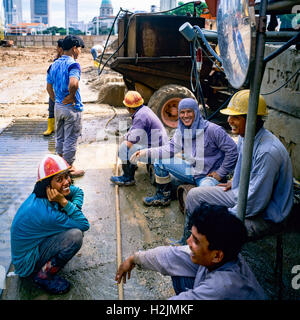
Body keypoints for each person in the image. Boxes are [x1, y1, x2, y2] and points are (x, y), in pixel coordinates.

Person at [184, 90, 294, 243]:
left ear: (252, 120)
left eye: (235, 117)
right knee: (194, 196)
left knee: (212, 227)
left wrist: (221, 215)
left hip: (265, 215)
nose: (229, 120)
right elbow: (244, 167)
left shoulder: (268, 152)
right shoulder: (245, 136)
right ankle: (189, 244)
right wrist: (234, 182)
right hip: (243, 194)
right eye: (230, 115)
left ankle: (214, 261)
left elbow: (254, 204)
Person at [115, 203, 267, 300]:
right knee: (177, 269)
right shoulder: (222, 256)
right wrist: (134, 259)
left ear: (217, 255)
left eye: (195, 240)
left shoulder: (222, 287)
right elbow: (170, 255)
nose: (188, 242)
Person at [131, 98, 238, 207]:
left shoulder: (213, 130)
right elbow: (169, 149)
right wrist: (145, 152)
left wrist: (220, 173)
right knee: (160, 160)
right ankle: (163, 196)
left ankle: (195, 222)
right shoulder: (181, 131)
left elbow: (233, 151)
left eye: (189, 111)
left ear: (196, 112)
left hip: (209, 177)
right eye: (182, 112)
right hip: (192, 171)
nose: (185, 116)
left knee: (201, 197)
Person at [10, 154, 90, 294]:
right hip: (28, 265)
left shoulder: (43, 196)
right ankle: (43, 276)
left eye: (67, 176)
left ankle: (48, 265)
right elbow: (83, 224)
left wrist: (71, 206)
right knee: (75, 235)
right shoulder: (46, 214)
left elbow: (78, 191)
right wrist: (65, 202)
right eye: (59, 179)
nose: (66, 182)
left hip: (35, 247)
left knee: (72, 218)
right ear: (48, 186)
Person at [46, 35, 85, 178]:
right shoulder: (73, 64)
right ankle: (68, 169)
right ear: (74, 48)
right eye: (80, 49)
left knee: (60, 136)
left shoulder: (53, 64)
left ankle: (59, 165)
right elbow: (73, 83)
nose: (80, 52)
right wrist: (71, 97)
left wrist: (56, 100)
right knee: (71, 138)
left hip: (58, 107)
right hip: (71, 108)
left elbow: (49, 87)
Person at [110, 91, 168, 186]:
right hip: (160, 146)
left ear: (128, 107)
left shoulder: (140, 117)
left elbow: (132, 139)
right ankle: (132, 165)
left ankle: (128, 178)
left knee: (124, 149)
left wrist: (124, 140)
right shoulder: (144, 110)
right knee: (128, 141)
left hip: (157, 151)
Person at [43, 39, 64, 136]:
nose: (56, 49)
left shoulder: (68, 59)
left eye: (57, 47)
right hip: (55, 88)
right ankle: (50, 127)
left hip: (63, 90)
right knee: (51, 107)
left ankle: (61, 127)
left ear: (60, 48)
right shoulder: (56, 60)